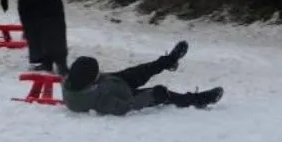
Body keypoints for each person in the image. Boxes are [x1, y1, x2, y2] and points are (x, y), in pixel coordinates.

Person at [62, 41, 224, 115]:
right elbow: (126, 106)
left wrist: (106, 77)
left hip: (114, 83)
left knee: (141, 71)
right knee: (164, 93)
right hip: (124, 94)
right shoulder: (101, 101)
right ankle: (197, 100)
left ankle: (168, 61)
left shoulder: (73, 82)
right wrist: (150, 97)